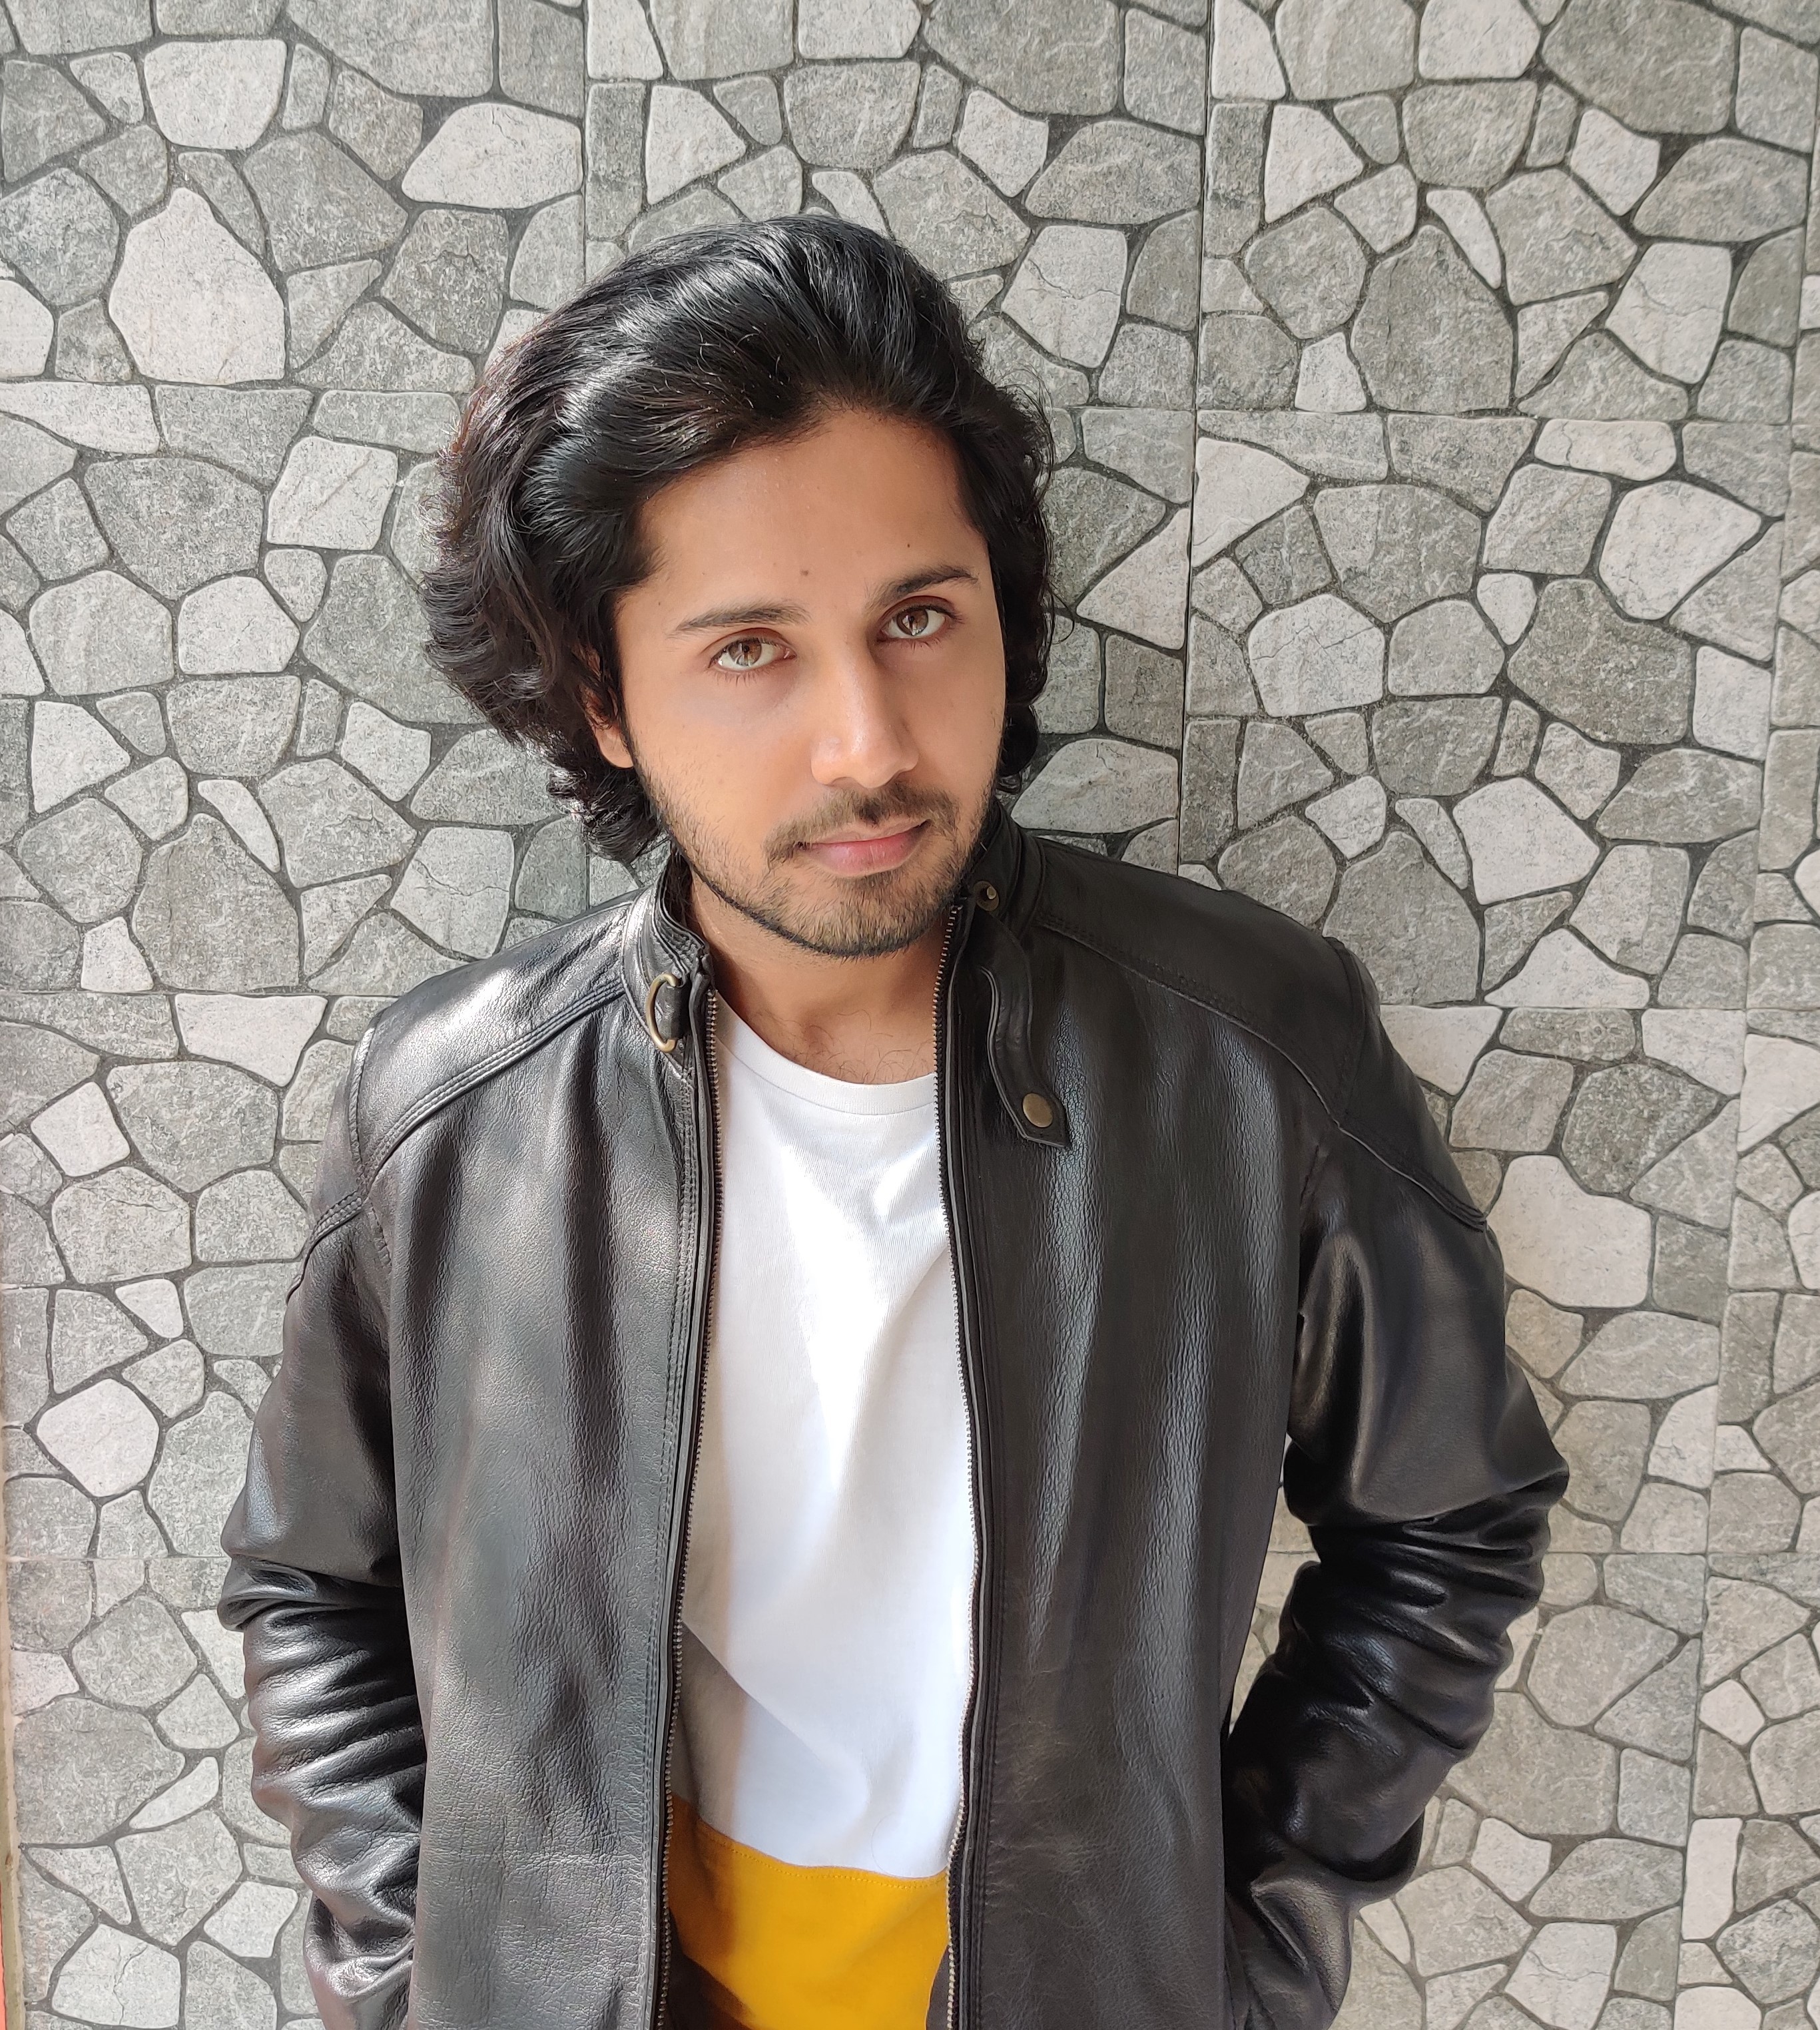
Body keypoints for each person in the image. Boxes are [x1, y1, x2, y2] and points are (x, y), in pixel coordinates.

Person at [219, 216, 1566, 2030]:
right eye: (750, 649)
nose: (867, 741)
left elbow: (1449, 1517)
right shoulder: (456, 1115)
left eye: (918, 619)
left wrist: (1235, 1954)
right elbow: (311, 1580)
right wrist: (414, 1976)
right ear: (606, 700)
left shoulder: (1252, 1057)